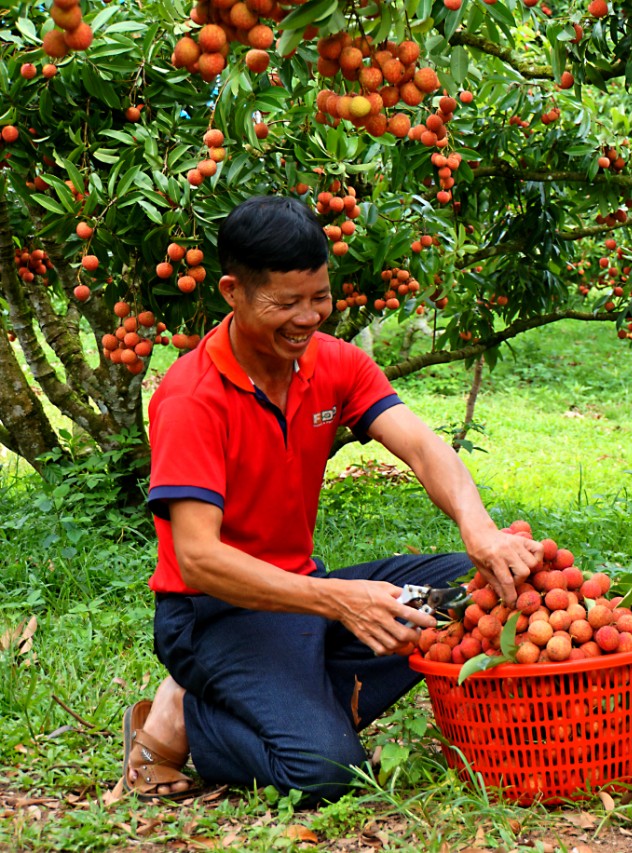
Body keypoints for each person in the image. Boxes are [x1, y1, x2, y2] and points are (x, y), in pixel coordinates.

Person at [120, 195, 542, 805]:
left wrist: (479, 530)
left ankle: (294, 694)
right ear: (232, 292)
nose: (308, 317)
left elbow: (423, 448)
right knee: (326, 772)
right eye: (285, 303)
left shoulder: (333, 363)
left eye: (319, 297)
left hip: (303, 602)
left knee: (471, 586)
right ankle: (184, 714)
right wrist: (339, 600)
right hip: (212, 615)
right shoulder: (193, 398)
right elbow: (199, 560)